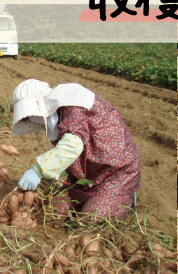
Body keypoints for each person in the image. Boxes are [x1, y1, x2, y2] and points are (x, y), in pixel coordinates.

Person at [11, 79, 140, 219]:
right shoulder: (57, 118)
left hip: (115, 172)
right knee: (55, 212)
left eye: (29, 115)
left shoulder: (73, 108)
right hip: (86, 177)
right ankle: (94, 197)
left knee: (92, 217)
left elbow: (72, 146)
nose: (30, 119)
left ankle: (126, 199)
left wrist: (38, 170)